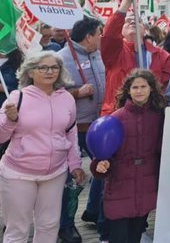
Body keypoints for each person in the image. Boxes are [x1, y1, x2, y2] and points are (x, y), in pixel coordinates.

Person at [0, 52, 86, 243]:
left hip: (55, 173)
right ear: (30, 72)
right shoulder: (17, 97)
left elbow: (70, 133)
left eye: (54, 67)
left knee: (49, 226)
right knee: (17, 229)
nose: (50, 72)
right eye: (43, 67)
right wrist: (10, 120)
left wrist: (75, 164)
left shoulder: (67, 98)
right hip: (18, 173)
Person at [92, 70, 165, 243]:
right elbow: (104, 153)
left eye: (143, 86)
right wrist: (101, 165)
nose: (139, 91)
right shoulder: (116, 118)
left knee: (135, 233)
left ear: (151, 89)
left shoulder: (160, 116)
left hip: (146, 183)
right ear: (128, 91)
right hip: (120, 183)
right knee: (118, 236)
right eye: (135, 87)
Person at [57, 17, 107, 243]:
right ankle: (66, 225)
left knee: (103, 169)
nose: (101, 37)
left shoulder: (98, 54)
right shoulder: (60, 58)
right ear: (89, 36)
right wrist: (77, 93)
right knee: (70, 178)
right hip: (71, 127)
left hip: (98, 125)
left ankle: (95, 211)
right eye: (99, 33)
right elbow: (49, 94)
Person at [101, 0, 170, 116]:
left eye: (137, 20)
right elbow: (109, 35)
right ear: (120, 30)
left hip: (150, 117)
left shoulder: (162, 56)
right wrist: (126, 3)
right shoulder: (114, 52)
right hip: (118, 116)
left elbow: (166, 90)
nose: (133, 22)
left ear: (145, 29)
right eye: (128, 21)